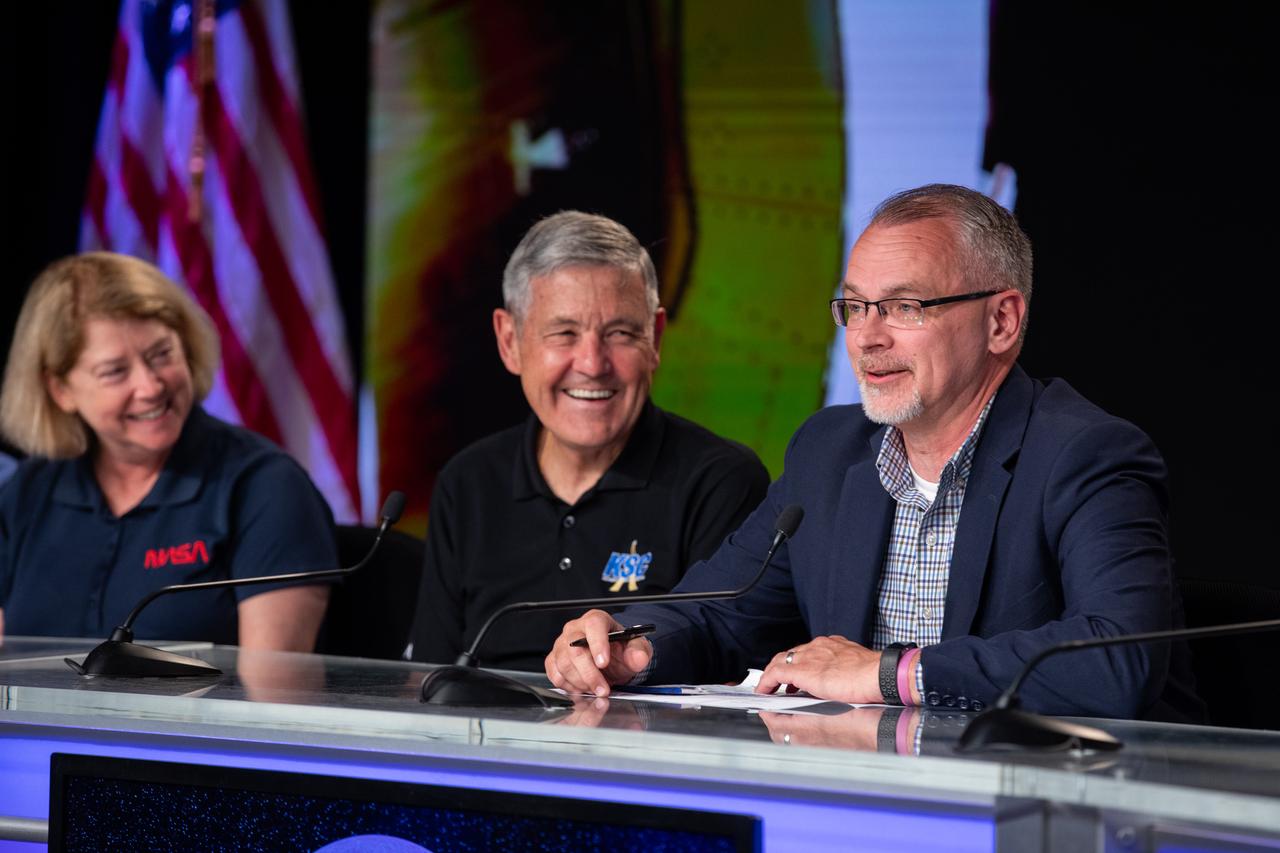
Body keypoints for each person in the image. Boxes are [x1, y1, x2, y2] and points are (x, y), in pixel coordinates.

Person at [545, 185, 1203, 722]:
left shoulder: (1084, 454)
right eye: (855, 307)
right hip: (876, 802)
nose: (867, 338)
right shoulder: (828, 453)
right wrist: (631, 647)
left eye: (904, 306)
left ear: (1001, 320)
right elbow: (722, 611)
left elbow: (1119, 661)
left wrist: (887, 671)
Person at [408, 211, 770, 672]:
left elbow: (732, 674)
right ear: (509, 341)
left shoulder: (720, 482)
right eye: (564, 333)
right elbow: (430, 680)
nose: (592, 363)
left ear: (655, 338)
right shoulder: (468, 483)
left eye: (620, 334)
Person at [0, 252, 336, 649]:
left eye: (162, 355)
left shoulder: (265, 485)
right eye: (115, 372)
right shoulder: (28, 491)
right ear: (61, 390)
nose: (151, 386)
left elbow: (272, 697)